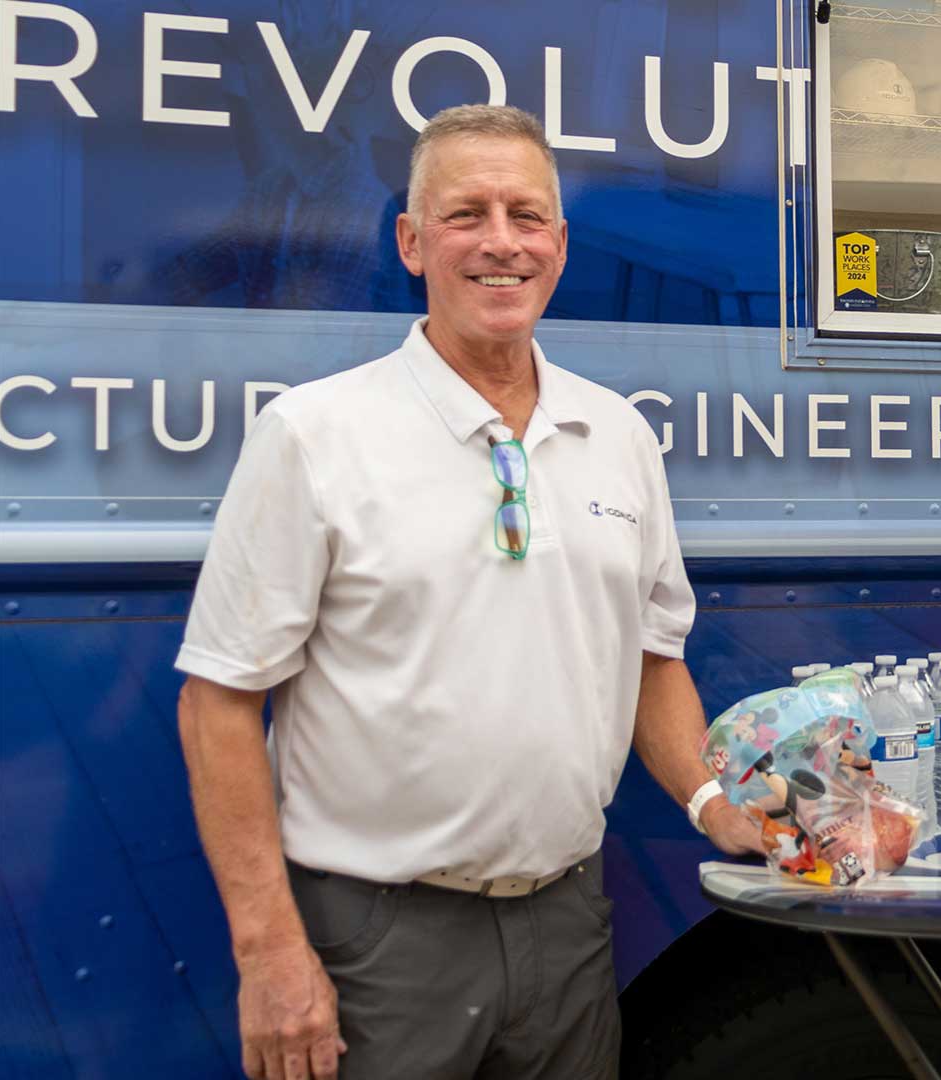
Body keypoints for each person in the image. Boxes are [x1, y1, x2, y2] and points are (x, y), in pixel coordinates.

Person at [174, 104, 764, 1080]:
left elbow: (653, 661)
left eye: (527, 216)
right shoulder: (316, 435)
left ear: (562, 247)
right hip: (377, 942)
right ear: (411, 242)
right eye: (467, 214)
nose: (501, 242)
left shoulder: (618, 435)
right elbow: (218, 703)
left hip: (568, 930)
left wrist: (713, 802)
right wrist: (270, 953)